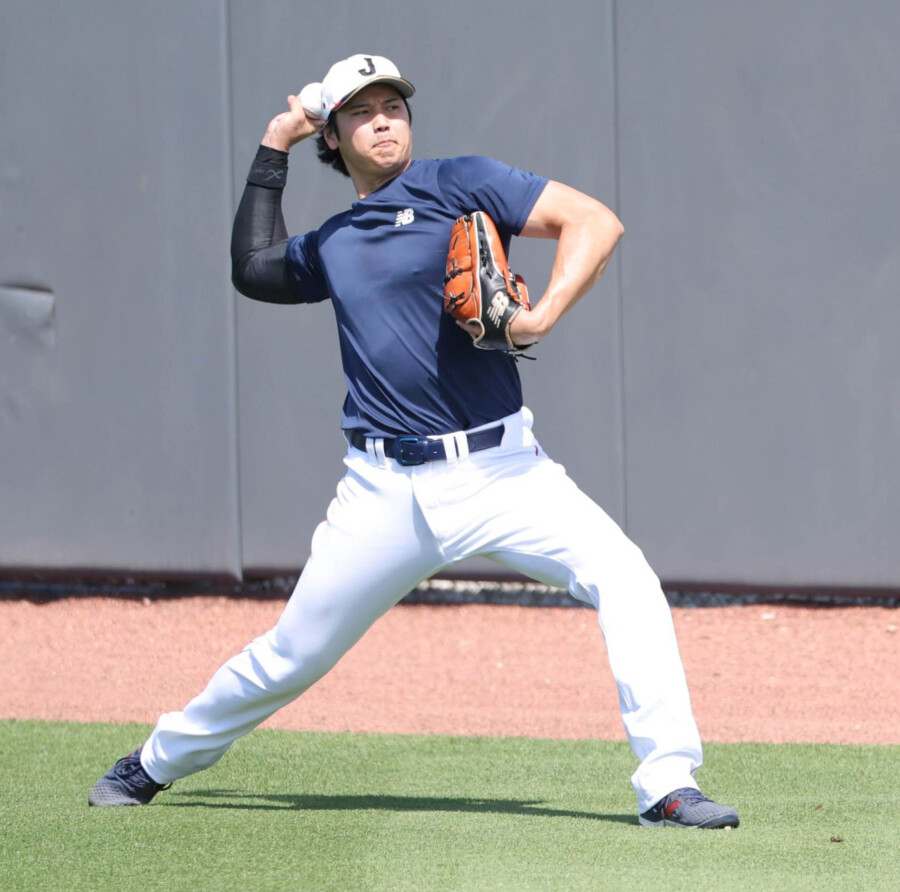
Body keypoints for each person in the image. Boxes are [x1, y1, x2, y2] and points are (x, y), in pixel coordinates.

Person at [89, 54, 739, 829]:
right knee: (293, 654)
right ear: (334, 137)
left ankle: (668, 784)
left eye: (392, 105)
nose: (383, 119)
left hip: (503, 470)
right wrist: (275, 143)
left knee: (626, 577)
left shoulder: (460, 183)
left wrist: (539, 317)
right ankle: (153, 762)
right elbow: (253, 268)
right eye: (361, 111)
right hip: (383, 490)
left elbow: (595, 222)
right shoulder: (334, 242)